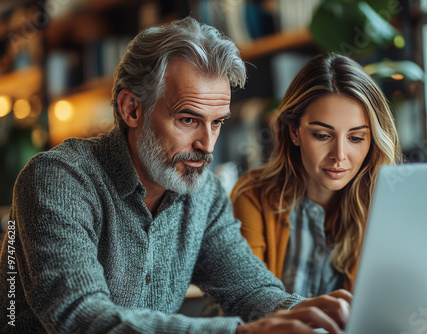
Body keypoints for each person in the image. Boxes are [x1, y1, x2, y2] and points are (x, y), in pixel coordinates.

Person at [0, 17, 352, 333]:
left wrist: (312, 315)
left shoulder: (205, 194)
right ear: (132, 109)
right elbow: (82, 317)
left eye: (217, 122)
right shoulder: (58, 179)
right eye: (188, 120)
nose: (207, 145)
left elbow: (253, 291)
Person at [231, 53, 402, 298]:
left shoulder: (383, 204)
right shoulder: (254, 198)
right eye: (322, 135)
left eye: (355, 138)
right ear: (294, 132)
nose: (340, 155)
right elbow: (248, 302)